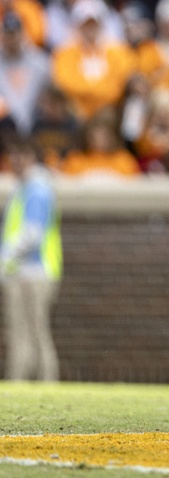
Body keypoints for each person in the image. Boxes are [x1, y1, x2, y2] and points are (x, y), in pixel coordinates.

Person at [1, 137, 62, 381]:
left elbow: (32, 233)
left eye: (22, 155)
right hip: (24, 271)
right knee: (24, 332)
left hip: (34, 271)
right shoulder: (25, 188)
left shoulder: (36, 188)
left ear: (33, 158)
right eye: (13, 154)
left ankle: (42, 382)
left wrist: (5, 258)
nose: (16, 160)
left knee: (32, 332)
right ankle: (23, 383)